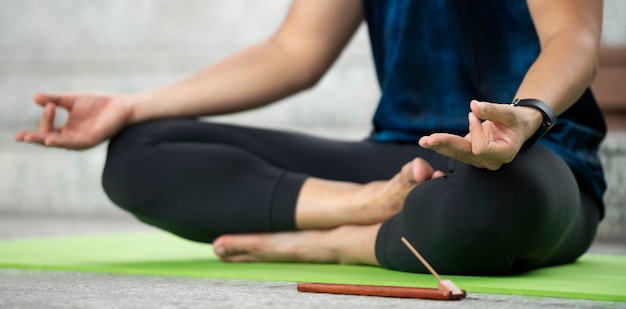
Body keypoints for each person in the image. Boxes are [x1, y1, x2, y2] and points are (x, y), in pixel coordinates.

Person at [15, 0, 606, 275]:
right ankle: (366, 209)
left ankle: (332, 241)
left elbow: (572, 36)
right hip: (399, 160)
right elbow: (294, 50)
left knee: (484, 209)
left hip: (534, 159)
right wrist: (130, 106)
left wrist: (526, 115)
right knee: (139, 154)